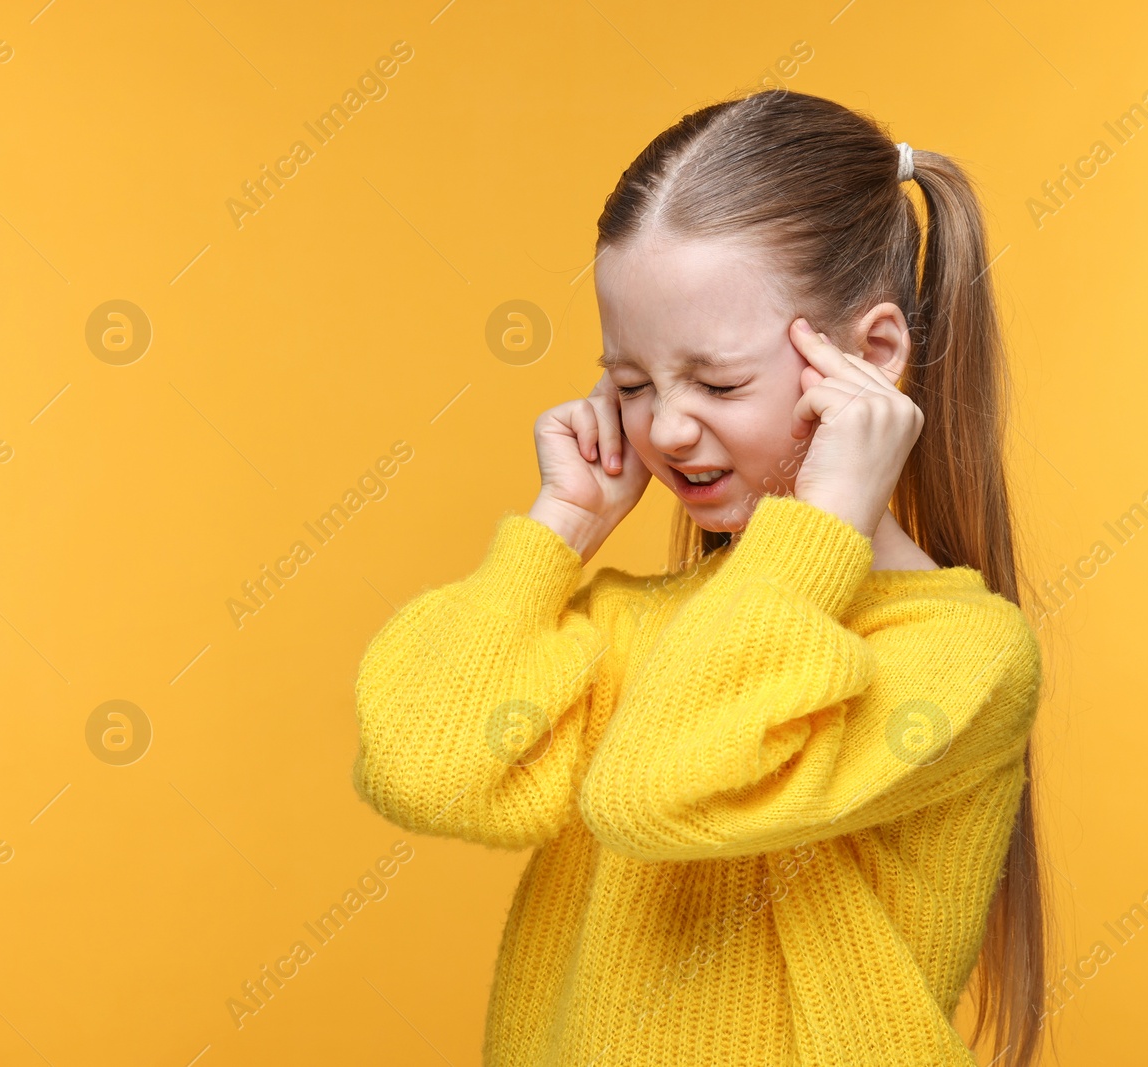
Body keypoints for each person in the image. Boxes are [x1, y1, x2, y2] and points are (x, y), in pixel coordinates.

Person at [352, 88, 1048, 1067]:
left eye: (718, 383)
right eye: (631, 384)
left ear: (871, 358)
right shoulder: (621, 621)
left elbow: (660, 789)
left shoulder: (960, 657)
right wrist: (558, 530)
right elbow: (425, 765)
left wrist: (820, 524)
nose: (667, 428)